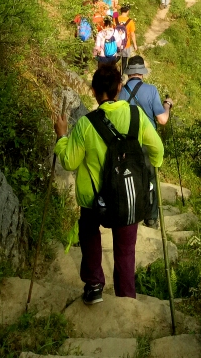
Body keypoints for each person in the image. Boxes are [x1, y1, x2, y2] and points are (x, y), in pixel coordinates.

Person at [54, 63, 163, 304]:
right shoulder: (137, 116)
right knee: (125, 249)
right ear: (120, 88)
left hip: (95, 200)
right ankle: (126, 298)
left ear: (93, 91)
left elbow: (70, 162)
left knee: (89, 232)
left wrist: (62, 136)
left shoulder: (85, 124)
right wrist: (151, 169)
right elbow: (157, 149)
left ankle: (94, 285)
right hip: (128, 197)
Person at [118, 55, 173, 229]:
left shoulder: (120, 91)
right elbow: (162, 120)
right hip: (148, 142)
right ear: (142, 72)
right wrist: (167, 106)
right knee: (150, 179)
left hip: (127, 143)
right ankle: (151, 218)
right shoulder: (151, 90)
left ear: (128, 73)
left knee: (129, 177)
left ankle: (131, 212)